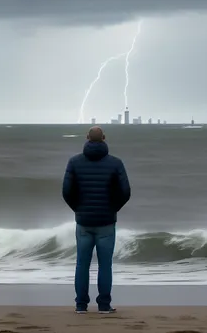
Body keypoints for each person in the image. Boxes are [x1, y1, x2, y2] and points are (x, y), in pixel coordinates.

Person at [62, 125, 131, 314]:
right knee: (105, 265)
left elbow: (66, 191)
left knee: (82, 264)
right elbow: (125, 192)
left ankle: (81, 306)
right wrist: (112, 208)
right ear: (104, 138)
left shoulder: (74, 162)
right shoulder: (116, 163)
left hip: (83, 221)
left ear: (87, 138)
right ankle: (104, 305)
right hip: (107, 222)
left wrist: (78, 209)